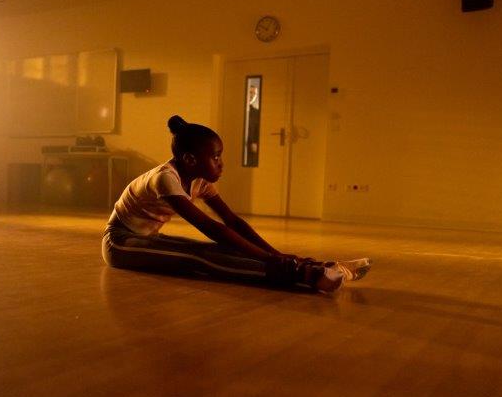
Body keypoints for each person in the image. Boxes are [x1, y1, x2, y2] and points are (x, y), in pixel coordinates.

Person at [101, 115, 370, 293]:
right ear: (191, 160)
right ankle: (305, 276)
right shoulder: (165, 179)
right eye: (215, 157)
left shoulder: (199, 181)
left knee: (212, 250)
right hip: (120, 243)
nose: (221, 164)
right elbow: (211, 227)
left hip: (148, 237)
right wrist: (270, 259)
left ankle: (320, 267)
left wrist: (277, 254)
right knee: (199, 258)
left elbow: (232, 222)